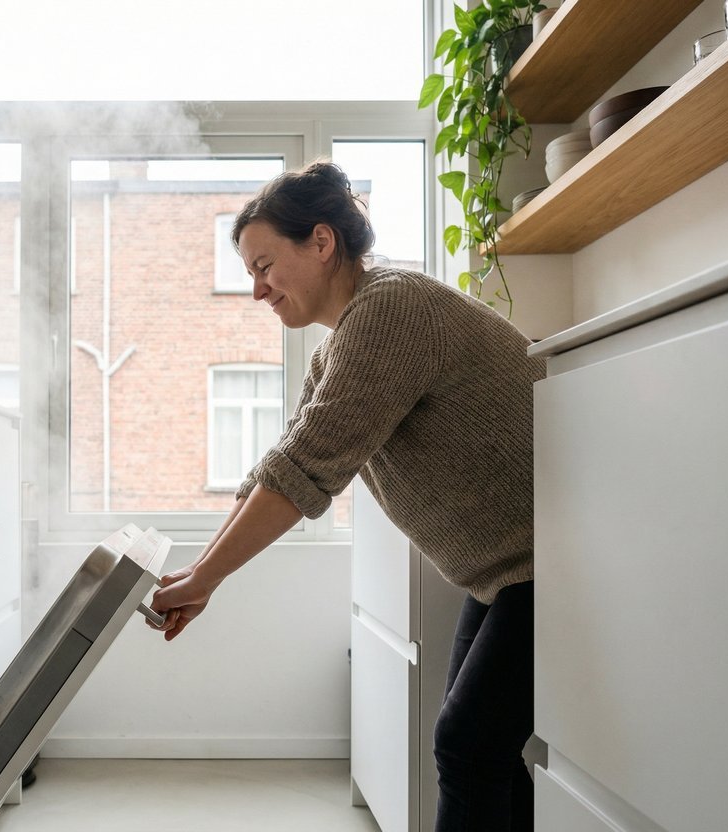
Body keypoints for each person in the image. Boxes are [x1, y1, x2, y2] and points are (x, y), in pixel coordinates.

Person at [149, 160, 545, 831]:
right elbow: (280, 467)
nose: (256, 290)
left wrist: (206, 579)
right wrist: (198, 574)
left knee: (469, 746)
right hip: (506, 573)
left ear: (322, 242)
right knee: (488, 754)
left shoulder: (391, 308)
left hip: (553, 562)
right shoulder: (339, 346)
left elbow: (307, 468)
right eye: (249, 272)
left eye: (265, 265)